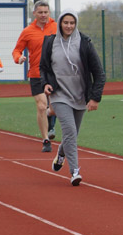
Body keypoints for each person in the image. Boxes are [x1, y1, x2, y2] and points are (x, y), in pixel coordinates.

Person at [40, 12, 106, 186]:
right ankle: (75, 171)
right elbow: (44, 67)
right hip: (59, 95)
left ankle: (61, 153)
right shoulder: (50, 42)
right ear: (60, 23)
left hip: (80, 96)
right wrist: (45, 84)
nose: (69, 26)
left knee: (72, 133)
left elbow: (99, 73)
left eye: (72, 23)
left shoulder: (84, 43)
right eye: (65, 22)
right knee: (69, 131)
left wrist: (95, 98)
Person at [12, 0, 59, 152]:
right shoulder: (28, 31)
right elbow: (17, 50)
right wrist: (18, 58)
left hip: (55, 73)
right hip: (36, 73)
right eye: (40, 12)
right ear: (34, 14)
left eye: (46, 12)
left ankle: (50, 115)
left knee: (54, 108)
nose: (43, 15)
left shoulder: (56, 27)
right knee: (41, 106)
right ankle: (46, 140)